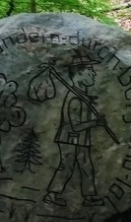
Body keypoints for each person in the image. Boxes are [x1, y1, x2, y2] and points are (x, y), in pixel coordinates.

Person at [43, 57, 107, 208]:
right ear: (79, 74)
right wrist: (96, 123)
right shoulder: (74, 99)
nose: (93, 75)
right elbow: (75, 127)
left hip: (82, 140)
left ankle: (89, 197)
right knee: (66, 167)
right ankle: (52, 195)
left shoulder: (82, 96)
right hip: (69, 139)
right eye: (90, 72)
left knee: (86, 167)